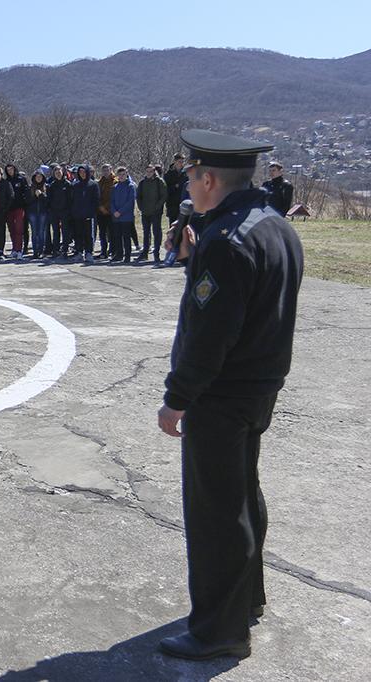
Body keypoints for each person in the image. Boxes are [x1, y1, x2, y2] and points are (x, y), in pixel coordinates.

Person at [157, 129, 303, 662]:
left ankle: (219, 630)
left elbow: (210, 334)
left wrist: (177, 397)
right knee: (240, 493)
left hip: (221, 392)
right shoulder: (274, 225)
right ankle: (246, 600)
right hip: (259, 385)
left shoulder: (225, 241)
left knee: (216, 511)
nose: (187, 187)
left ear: (209, 180)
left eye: (190, 178)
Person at [136, 165, 168, 262]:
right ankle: (145, 253)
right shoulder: (142, 182)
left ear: (154, 172)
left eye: (151, 171)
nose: (149, 173)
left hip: (156, 212)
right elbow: (138, 196)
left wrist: (157, 206)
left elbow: (164, 195)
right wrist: (141, 207)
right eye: (147, 171)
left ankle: (156, 253)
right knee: (146, 233)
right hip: (145, 212)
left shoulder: (159, 182)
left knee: (156, 233)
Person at [69, 165, 100, 263]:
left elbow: (96, 200)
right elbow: (72, 200)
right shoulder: (75, 185)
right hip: (77, 215)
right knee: (78, 234)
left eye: (84, 172)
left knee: (89, 235)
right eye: (80, 172)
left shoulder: (93, 184)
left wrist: (91, 212)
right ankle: (79, 252)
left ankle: (89, 253)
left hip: (89, 215)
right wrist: (74, 212)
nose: (82, 174)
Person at [109, 167, 136, 264]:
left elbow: (130, 202)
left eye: (123, 174)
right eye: (119, 175)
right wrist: (114, 211)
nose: (121, 176)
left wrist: (120, 212)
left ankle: (127, 256)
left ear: (126, 174)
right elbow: (111, 201)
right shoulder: (115, 187)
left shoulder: (130, 186)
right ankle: (119, 254)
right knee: (117, 236)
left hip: (126, 217)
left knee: (126, 237)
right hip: (116, 217)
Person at [46, 164, 73, 258]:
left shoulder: (68, 184)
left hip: (65, 211)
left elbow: (70, 199)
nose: (58, 174)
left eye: (59, 172)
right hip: (54, 212)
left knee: (65, 231)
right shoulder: (52, 185)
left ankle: (65, 249)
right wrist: (51, 209)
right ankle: (56, 250)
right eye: (56, 172)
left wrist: (68, 210)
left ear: (62, 173)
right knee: (55, 231)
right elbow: (49, 199)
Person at [4, 164, 28, 260]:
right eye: (8, 170)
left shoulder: (21, 179)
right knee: (12, 229)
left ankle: (19, 250)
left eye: (11, 169)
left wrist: (24, 203)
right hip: (9, 209)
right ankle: (14, 249)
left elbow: (26, 192)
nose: (10, 171)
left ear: (15, 169)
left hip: (19, 208)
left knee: (19, 229)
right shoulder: (6, 181)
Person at [26, 171, 48, 259]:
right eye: (37, 176)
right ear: (34, 178)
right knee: (34, 232)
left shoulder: (46, 187)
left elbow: (48, 201)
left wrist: (41, 195)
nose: (38, 178)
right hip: (33, 213)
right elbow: (27, 201)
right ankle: (35, 252)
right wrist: (35, 195)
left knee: (41, 232)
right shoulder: (30, 188)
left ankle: (41, 251)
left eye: (40, 176)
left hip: (43, 212)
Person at [164, 153, 188, 230]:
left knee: (184, 227)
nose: (181, 164)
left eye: (182, 162)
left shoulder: (186, 173)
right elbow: (165, 190)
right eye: (179, 161)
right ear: (174, 161)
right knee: (173, 228)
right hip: (172, 205)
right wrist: (175, 186)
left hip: (184, 204)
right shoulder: (168, 174)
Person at [96, 164, 115, 259]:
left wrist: (106, 208)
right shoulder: (100, 182)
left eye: (107, 170)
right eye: (104, 170)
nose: (105, 172)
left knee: (111, 233)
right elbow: (97, 196)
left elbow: (113, 198)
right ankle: (103, 251)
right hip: (101, 212)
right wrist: (100, 207)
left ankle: (112, 250)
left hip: (111, 212)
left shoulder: (115, 181)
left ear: (111, 170)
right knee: (102, 233)